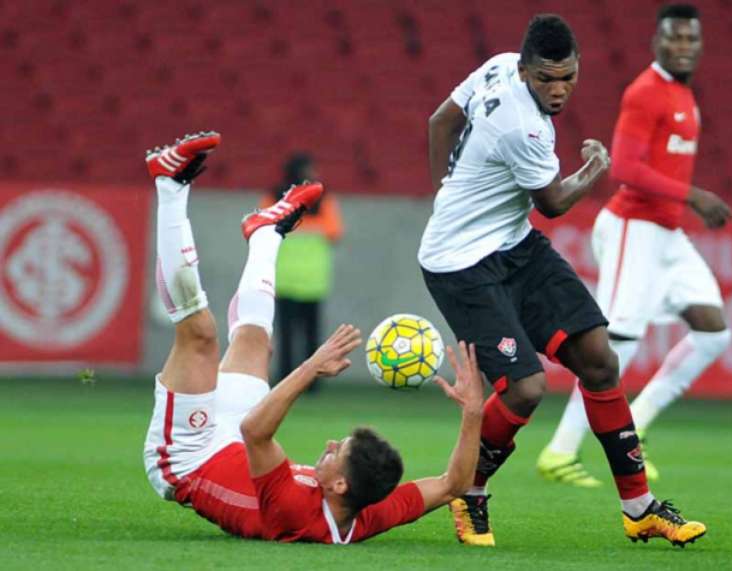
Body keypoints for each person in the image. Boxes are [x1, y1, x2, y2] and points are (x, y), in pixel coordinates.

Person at [418, 14, 705, 548]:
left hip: (513, 245)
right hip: (460, 264)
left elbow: (441, 121)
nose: (558, 90)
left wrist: (445, 193)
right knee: (526, 389)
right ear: (525, 71)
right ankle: (469, 489)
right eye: (546, 79)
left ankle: (640, 507)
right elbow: (551, 203)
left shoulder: (500, 63)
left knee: (599, 358)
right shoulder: (521, 125)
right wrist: (595, 166)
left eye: (567, 77)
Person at [142, 131, 485, 544]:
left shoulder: (294, 512)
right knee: (255, 341)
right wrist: (473, 414)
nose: (328, 444)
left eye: (337, 451)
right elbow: (453, 485)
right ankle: (266, 234)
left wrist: (311, 366)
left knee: (200, 336)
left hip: (188, 456)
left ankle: (170, 184)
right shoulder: (368, 512)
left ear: (338, 485)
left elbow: (256, 430)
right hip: (237, 441)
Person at [537, 4, 732, 487]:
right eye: (674, 38)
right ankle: (559, 452)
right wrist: (696, 196)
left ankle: (638, 420)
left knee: (714, 332)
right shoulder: (646, 92)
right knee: (615, 344)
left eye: (691, 39)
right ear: (657, 42)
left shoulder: (683, 94)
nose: (683, 46)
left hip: (666, 234)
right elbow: (624, 168)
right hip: (632, 228)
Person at [265, 153, 345, 384]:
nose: (315, 175)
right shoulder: (324, 200)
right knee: (308, 335)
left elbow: (264, 227)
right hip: (308, 279)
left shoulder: (274, 199)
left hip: (289, 278)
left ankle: (288, 380)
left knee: (290, 335)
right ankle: (312, 381)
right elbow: (334, 231)